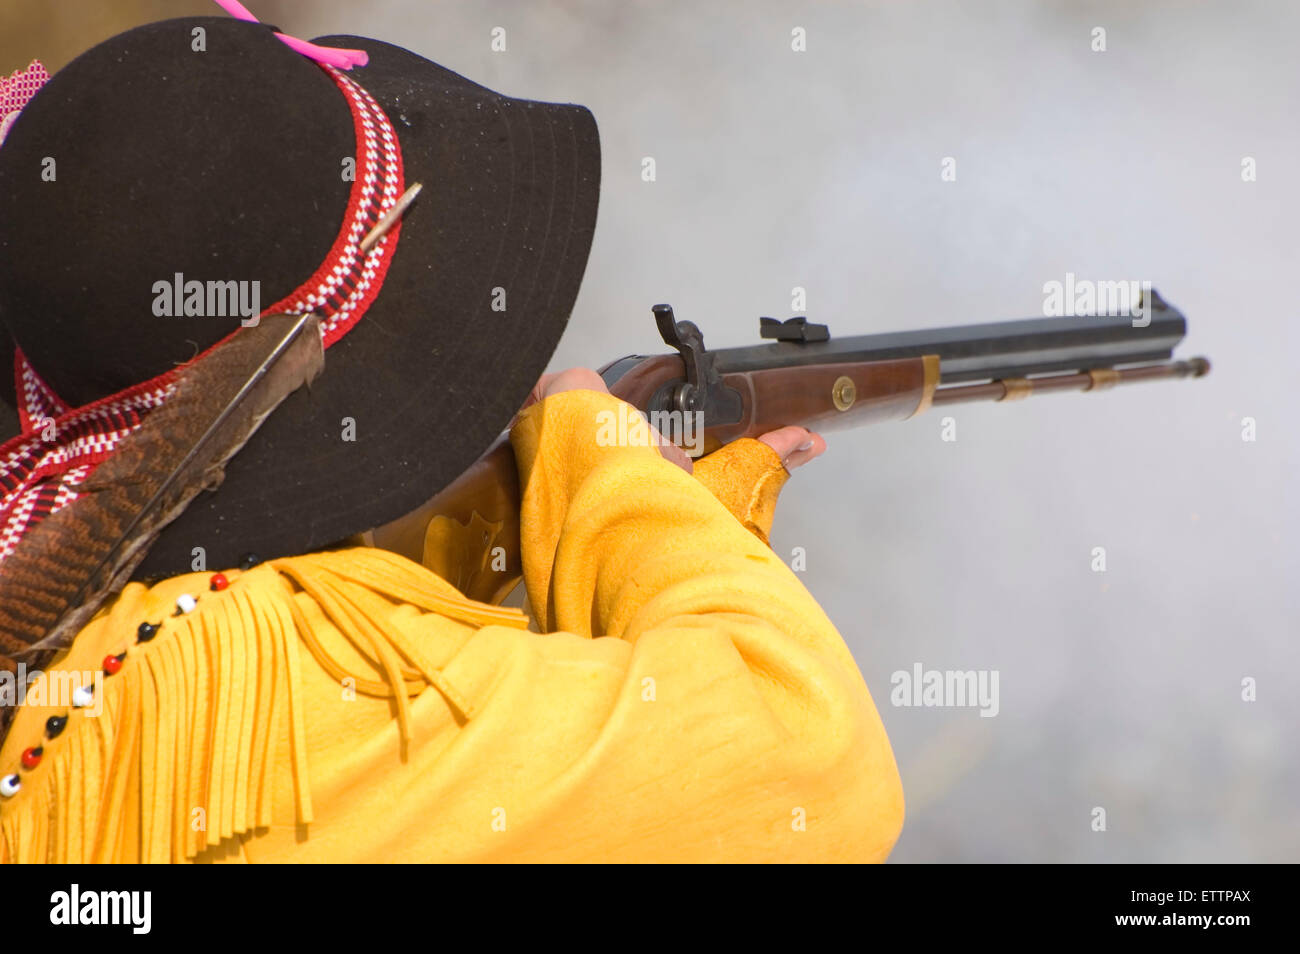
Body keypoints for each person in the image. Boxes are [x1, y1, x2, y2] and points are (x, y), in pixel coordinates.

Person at [0, 8, 902, 863]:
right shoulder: (260, 675)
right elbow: (814, 763)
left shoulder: (73, 606)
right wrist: (625, 495)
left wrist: (500, 528)